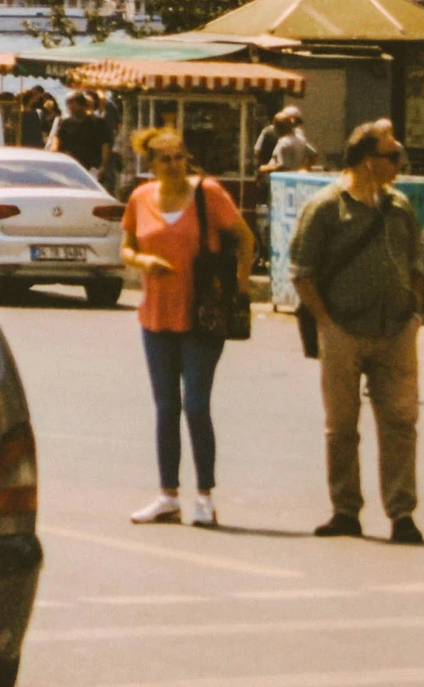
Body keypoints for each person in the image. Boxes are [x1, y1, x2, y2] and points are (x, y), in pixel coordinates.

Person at [291, 119, 424, 543]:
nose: (399, 163)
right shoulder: (328, 207)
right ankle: (345, 509)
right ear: (369, 162)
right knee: (342, 426)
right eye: (393, 156)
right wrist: (326, 322)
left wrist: (416, 314)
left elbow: (417, 265)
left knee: (401, 423)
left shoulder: (400, 205)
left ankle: (402, 513)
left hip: (396, 329)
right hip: (343, 329)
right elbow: (302, 272)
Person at [120, 126, 253, 529]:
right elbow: (126, 246)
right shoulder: (140, 198)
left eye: (179, 156)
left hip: (202, 316)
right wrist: (144, 263)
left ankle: (205, 497)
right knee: (166, 408)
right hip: (156, 315)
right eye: (165, 158)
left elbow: (246, 240)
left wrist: (238, 292)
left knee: (195, 404)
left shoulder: (207, 194)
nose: (175, 164)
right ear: (151, 164)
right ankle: (167, 496)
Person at [52, 92, 112, 175]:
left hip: (92, 168)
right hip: (70, 166)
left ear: (83, 106)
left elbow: (105, 145)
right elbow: (57, 141)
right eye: (69, 105)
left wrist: (103, 166)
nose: (71, 108)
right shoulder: (65, 123)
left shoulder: (98, 123)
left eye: (74, 105)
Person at [270, 107, 319, 172]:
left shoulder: (291, 138)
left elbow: (283, 166)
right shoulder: (298, 136)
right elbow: (313, 154)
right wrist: (302, 169)